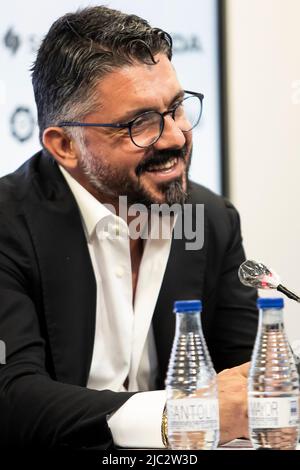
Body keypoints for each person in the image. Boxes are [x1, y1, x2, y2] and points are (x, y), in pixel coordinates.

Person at [0, 6, 257, 450]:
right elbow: (14, 398)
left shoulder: (213, 219)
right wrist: (178, 416)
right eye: (140, 124)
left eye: (176, 108)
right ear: (64, 145)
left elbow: (244, 382)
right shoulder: (7, 223)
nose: (175, 137)